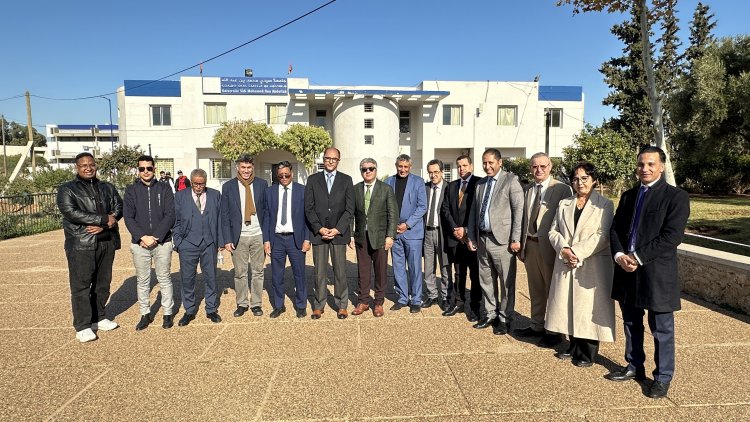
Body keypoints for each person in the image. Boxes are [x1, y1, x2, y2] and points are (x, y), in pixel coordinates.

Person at [606, 146, 690, 399]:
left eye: (651, 164)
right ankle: (634, 366)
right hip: (627, 271)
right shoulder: (629, 196)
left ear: (661, 166)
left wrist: (637, 256)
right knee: (631, 323)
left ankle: (662, 377)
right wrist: (620, 256)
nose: (645, 169)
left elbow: (671, 236)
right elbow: (615, 229)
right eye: (641, 164)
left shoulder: (676, 197)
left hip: (656, 274)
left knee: (661, 329)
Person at [546, 162, 616, 367]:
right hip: (566, 261)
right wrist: (564, 249)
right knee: (567, 304)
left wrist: (577, 252)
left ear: (594, 180)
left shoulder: (604, 204)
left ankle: (587, 352)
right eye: (576, 179)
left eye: (585, 178)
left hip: (591, 263)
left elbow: (603, 235)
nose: (580, 183)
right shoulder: (564, 203)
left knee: (588, 308)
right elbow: (553, 231)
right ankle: (572, 346)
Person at [56, 152, 123, 342]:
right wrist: (102, 219)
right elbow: (71, 212)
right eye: (84, 165)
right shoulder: (67, 189)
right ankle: (82, 325)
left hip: (106, 241)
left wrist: (105, 224)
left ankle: (98, 317)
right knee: (81, 286)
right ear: (76, 167)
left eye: (91, 164)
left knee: (103, 284)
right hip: (81, 244)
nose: (88, 168)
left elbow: (119, 207)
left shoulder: (107, 187)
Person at [516, 152, 573, 348]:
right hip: (530, 245)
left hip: (550, 248)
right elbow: (524, 219)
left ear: (550, 167)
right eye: (534, 166)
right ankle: (536, 325)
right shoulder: (528, 190)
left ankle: (555, 331)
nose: (538, 170)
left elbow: (566, 220)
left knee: (553, 291)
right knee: (536, 289)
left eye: (543, 166)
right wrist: (521, 245)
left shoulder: (562, 189)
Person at [467, 148, 524, 335]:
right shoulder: (480, 184)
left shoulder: (511, 180)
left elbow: (518, 211)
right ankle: (490, 313)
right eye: (484, 163)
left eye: (491, 162)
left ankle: (505, 318)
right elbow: (474, 212)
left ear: (500, 162)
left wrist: (515, 238)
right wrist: (472, 236)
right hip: (483, 240)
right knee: (486, 280)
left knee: (506, 283)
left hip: (503, 242)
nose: (487, 166)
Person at [123, 155, 176, 330]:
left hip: (162, 242)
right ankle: (145, 313)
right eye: (142, 169)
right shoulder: (131, 190)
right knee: (143, 281)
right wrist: (142, 237)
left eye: (149, 168)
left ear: (154, 169)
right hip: (140, 244)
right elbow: (128, 217)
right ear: (138, 170)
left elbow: (170, 214)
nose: (145, 171)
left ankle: (167, 312)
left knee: (164, 278)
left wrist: (157, 236)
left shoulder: (164, 188)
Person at [305, 147, 355, 320]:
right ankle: (319, 305)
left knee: (340, 271)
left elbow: (350, 209)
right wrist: (319, 228)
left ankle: (342, 305)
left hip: (338, 234)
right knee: (319, 272)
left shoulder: (346, 180)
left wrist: (338, 229)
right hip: (319, 234)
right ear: (323, 159)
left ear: (338, 161)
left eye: (334, 159)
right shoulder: (313, 180)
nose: (331, 161)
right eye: (328, 158)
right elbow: (308, 208)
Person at [220, 154, 268, 318]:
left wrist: (267, 237)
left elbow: (266, 211)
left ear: (252, 167)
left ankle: (256, 303)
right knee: (240, 273)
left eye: (249, 167)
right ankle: (242, 303)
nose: (246, 171)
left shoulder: (262, 184)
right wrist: (227, 239)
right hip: (238, 236)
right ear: (237, 168)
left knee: (258, 271)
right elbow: (224, 215)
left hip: (258, 234)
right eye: (243, 167)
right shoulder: (228, 187)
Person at [173, 168, 223, 326]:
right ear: (191, 182)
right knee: (187, 278)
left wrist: (219, 242)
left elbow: (220, 219)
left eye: (202, 184)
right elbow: (175, 220)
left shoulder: (215, 195)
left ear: (205, 182)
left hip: (209, 243)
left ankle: (211, 309)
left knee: (211, 277)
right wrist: (179, 242)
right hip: (188, 243)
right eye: (195, 184)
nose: (198, 187)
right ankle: (189, 310)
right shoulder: (180, 196)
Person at [262, 161, 311, 318]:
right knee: (277, 276)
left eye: (286, 175)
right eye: (280, 175)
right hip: (276, 240)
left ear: (292, 174)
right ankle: (279, 305)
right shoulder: (270, 192)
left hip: (295, 239)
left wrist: (307, 239)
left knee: (299, 274)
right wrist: (266, 240)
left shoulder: (302, 191)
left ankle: (301, 305)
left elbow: (308, 217)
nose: (284, 178)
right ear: (277, 175)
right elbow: (266, 217)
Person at [350, 158, 398, 317]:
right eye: (364, 169)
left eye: (371, 168)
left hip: (380, 237)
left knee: (380, 271)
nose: (368, 172)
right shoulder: (355, 189)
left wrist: (390, 235)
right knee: (363, 272)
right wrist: (350, 234)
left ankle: (378, 303)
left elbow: (393, 214)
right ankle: (363, 301)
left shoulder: (386, 189)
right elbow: (351, 214)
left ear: (376, 170)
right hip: (361, 237)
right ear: (361, 171)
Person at [441, 154, 482, 320]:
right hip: (456, 238)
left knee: (475, 274)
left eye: (464, 165)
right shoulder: (451, 186)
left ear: (471, 166)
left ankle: (475, 306)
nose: (461, 169)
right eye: (459, 166)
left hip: (472, 238)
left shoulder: (479, 184)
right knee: (458, 272)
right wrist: (455, 230)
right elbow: (445, 209)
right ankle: (458, 302)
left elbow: (480, 210)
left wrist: (466, 230)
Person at [385, 154, 428, 313]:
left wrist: (407, 224)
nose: (402, 169)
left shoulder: (418, 182)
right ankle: (402, 298)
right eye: (400, 166)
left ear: (410, 167)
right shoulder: (388, 182)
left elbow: (422, 207)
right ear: (396, 166)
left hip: (412, 232)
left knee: (415, 268)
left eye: (405, 167)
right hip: (394, 231)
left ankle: (416, 299)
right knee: (398, 267)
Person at [422, 159, 451, 309]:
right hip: (427, 232)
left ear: (442, 172)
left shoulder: (449, 188)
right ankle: (432, 295)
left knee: (445, 266)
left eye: (436, 172)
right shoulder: (425, 188)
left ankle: (446, 296)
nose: (433, 175)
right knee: (428, 267)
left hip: (442, 233)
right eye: (430, 173)